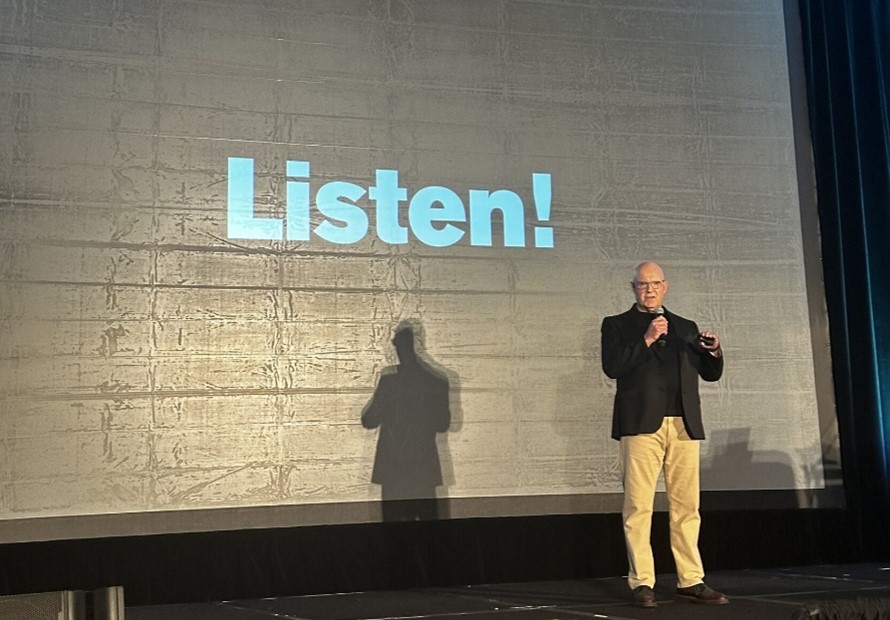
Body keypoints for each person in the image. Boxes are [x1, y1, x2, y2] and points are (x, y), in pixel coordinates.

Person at [601, 261, 728, 608]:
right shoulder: (617, 325)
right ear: (633, 288)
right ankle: (642, 581)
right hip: (641, 425)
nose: (650, 290)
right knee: (639, 506)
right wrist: (647, 338)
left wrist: (713, 350)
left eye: (655, 284)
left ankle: (691, 579)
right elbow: (613, 367)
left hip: (683, 425)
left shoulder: (685, 326)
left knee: (687, 506)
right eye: (643, 285)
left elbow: (710, 373)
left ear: (666, 286)